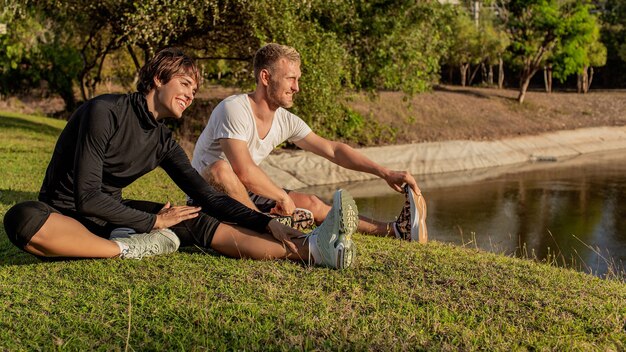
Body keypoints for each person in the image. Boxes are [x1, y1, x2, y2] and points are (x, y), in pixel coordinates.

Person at [2, 48, 358, 269]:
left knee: (196, 217)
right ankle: (125, 249)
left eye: (195, 89)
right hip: (62, 217)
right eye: (185, 84)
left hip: (110, 216)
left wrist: (265, 222)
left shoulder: (162, 140)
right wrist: (153, 223)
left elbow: (208, 195)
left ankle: (311, 250)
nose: (191, 95)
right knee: (21, 218)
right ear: (158, 78)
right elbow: (87, 197)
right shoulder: (104, 111)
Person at [191, 43, 428, 243]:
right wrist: (282, 198)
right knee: (220, 169)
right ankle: (265, 228)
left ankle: (395, 231)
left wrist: (384, 172)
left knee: (312, 203)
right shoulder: (234, 108)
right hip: (206, 195)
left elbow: (333, 150)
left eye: (298, 79)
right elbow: (243, 170)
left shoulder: (285, 120)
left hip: (244, 195)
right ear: (265, 77)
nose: (297, 87)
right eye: (291, 79)